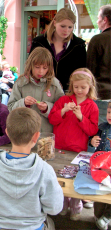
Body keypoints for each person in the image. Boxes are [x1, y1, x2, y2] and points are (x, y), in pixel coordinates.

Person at [0, 107, 63, 230]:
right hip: (32, 227)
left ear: (7, 133)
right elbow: (54, 208)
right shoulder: (45, 170)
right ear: (36, 137)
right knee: (50, 224)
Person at [48, 68, 99, 221]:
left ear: (90, 86)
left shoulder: (92, 106)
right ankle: (62, 204)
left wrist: (81, 117)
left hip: (77, 150)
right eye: (76, 87)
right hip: (60, 147)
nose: (79, 90)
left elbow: (92, 130)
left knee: (75, 179)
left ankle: (76, 207)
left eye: (83, 87)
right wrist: (63, 110)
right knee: (59, 178)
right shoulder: (63, 100)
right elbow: (52, 119)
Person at [8, 47, 64, 133]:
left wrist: (47, 108)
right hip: (25, 133)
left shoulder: (54, 84)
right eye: (37, 67)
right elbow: (11, 108)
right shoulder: (21, 83)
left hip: (47, 133)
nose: (41, 71)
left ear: (49, 67)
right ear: (30, 65)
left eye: (45, 68)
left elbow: (62, 109)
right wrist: (23, 103)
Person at [30, 8, 86, 91]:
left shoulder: (79, 45)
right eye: (63, 26)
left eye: (70, 27)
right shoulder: (39, 42)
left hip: (68, 93)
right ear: (55, 22)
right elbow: (30, 68)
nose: (66, 30)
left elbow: (82, 72)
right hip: (42, 91)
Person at [89, 101, 111, 230]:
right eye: (109, 112)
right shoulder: (102, 127)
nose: (110, 115)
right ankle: (98, 216)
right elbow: (92, 141)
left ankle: (107, 216)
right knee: (100, 195)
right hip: (100, 168)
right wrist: (92, 141)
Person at [87, 5, 111, 101]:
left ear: (105, 19)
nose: (97, 21)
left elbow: (90, 70)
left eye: (98, 18)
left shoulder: (97, 40)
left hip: (102, 94)